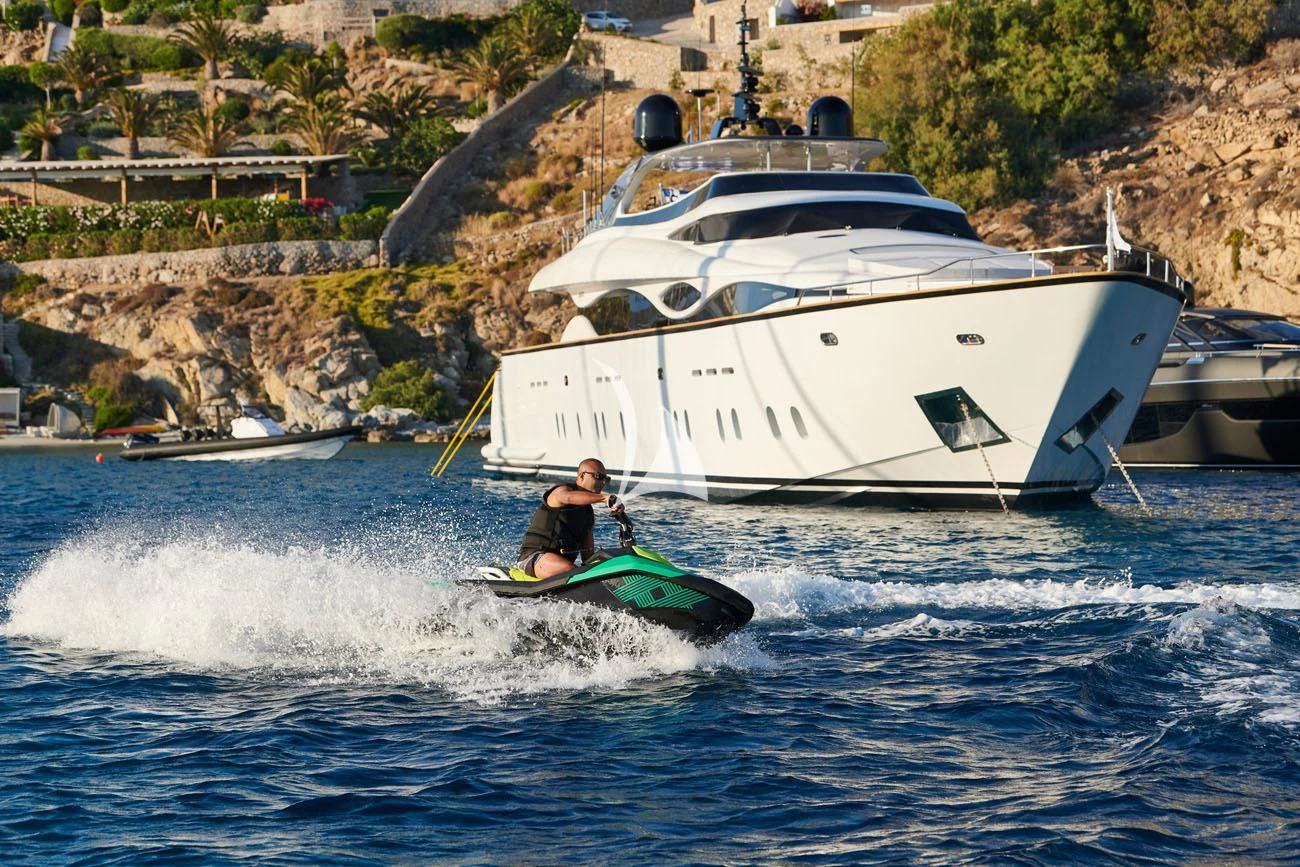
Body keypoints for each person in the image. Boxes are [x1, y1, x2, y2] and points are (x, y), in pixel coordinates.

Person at [517, 458, 624, 579]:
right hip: (534, 557)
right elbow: (566, 497)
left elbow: (588, 556)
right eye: (598, 477)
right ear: (582, 476)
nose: (603, 482)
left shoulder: (587, 514)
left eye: (606, 479)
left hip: (564, 565)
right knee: (570, 570)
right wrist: (605, 498)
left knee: (590, 571)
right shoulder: (561, 491)